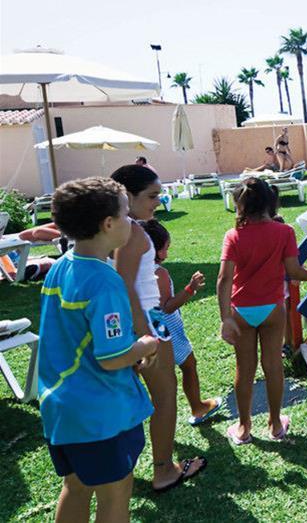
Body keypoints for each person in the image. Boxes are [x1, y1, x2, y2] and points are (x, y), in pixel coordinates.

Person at [38, 177, 159, 522]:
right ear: (108, 224)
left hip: (62, 408)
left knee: (75, 487)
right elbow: (111, 358)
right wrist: (144, 346)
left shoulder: (60, 268)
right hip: (100, 415)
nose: (131, 223)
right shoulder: (106, 281)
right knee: (116, 493)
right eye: (126, 215)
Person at [218, 177, 307, 444]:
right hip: (272, 309)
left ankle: (243, 428)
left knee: (244, 368)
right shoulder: (284, 232)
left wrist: (225, 317)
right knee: (273, 366)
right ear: (270, 202)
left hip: (241, 311)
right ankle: (275, 425)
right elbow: (294, 271)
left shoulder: (233, 236)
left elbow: (224, 279)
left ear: (240, 205)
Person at [110, 164, 207, 493]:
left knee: (127, 396)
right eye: (152, 196)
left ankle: (120, 466)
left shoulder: (112, 229)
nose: (158, 201)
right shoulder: (133, 231)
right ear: (127, 196)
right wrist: (144, 336)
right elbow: (125, 288)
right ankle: (164, 470)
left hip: (134, 323)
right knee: (164, 396)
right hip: (148, 322)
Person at [139, 219, 222, 426]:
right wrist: (190, 289)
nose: (167, 254)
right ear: (154, 250)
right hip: (166, 329)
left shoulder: (133, 272)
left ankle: (156, 418)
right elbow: (167, 306)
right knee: (189, 365)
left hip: (146, 329)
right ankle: (198, 407)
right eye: (165, 248)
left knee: (157, 381)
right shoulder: (159, 273)